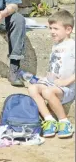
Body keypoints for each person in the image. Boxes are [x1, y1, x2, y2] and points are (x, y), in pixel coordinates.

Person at [28, 10, 75, 139]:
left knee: (48, 92)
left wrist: (66, 82)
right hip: (52, 83)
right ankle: (49, 119)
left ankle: (64, 122)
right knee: (32, 88)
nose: (52, 31)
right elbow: (55, 66)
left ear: (68, 29)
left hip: (66, 88)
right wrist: (46, 78)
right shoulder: (56, 45)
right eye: (50, 28)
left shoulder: (72, 46)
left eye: (56, 28)